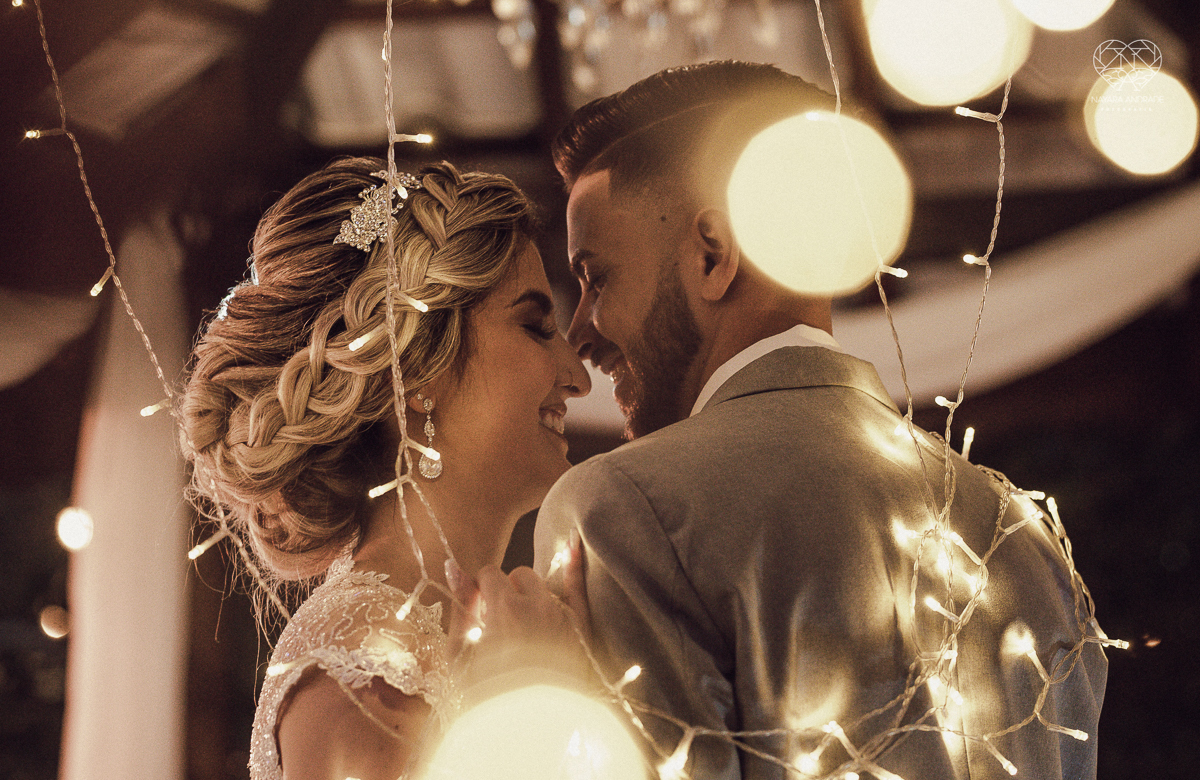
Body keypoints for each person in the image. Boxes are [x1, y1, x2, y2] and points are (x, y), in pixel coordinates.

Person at [534, 61, 1110, 780]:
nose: (581, 331)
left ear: (712, 254)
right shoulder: (1021, 536)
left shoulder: (622, 512)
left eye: (595, 278)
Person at [180, 158, 593, 780]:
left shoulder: (453, 629)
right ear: (417, 373)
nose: (578, 376)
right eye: (536, 327)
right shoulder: (363, 666)